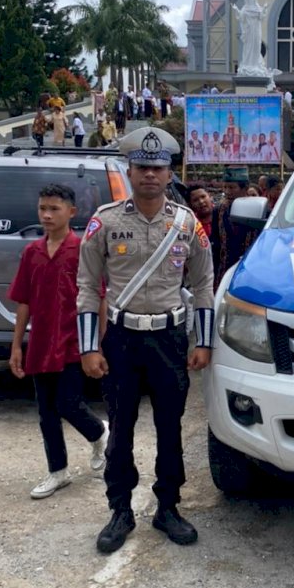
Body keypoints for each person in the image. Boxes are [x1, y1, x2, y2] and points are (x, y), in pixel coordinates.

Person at [77, 127, 214, 553]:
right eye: (142, 167)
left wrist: (202, 341)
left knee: (170, 428)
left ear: (169, 172)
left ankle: (168, 506)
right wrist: (89, 347)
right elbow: (86, 285)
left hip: (170, 339)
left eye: (157, 168)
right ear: (129, 170)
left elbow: (204, 281)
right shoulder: (106, 220)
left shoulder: (186, 223)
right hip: (121, 339)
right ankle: (119, 509)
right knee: (120, 428)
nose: (150, 175)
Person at [8, 184, 108, 499]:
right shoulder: (32, 253)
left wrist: (99, 343)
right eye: (43, 209)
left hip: (73, 341)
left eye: (55, 209)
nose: (47, 215)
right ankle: (58, 472)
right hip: (40, 342)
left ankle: (99, 432)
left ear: (72, 212)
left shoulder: (82, 251)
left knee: (68, 403)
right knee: (45, 412)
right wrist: (16, 346)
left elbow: (99, 299)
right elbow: (23, 300)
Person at [211, 166, 259, 289]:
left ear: (245, 188)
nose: (227, 191)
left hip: (250, 271)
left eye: (232, 187)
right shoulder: (218, 211)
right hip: (223, 272)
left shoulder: (260, 210)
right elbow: (216, 244)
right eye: (225, 187)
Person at [233, 0, 268, 72]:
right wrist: (236, 10)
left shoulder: (258, 8)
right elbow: (241, 18)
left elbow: (261, 16)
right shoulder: (245, 9)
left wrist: (265, 8)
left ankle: (255, 64)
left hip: (256, 31)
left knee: (256, 46)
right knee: (248, 47)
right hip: (248, 32)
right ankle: (248, 64)